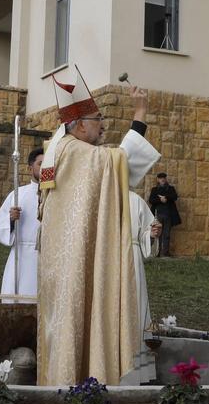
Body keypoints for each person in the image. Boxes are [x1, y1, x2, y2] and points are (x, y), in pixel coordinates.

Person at [36, 67, 160, 386]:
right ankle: (78, 381)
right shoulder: (75, 151)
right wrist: (140, 113)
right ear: (78, 127)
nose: (102, 127)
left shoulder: (56, 149)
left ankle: (63, 377)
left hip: (60, 263)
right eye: (97, 121)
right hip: (75, 260)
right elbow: (120, 162)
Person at [0, 147, 43, 300]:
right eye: (40, 164)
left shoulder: (58, 195)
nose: (45, 168)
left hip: (47, 257)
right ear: (30, 168)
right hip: (21, 257)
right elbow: (0, 226)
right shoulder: (18, 194)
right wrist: (11, 220)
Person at [128, 190, 161, 378]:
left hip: (132, 259)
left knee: (136, 306)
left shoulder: (136, 200)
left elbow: (145, 234)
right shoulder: (101, 197)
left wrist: (152, 234)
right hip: (105, 261)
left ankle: (137, 371)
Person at [147, 173, 181, 256]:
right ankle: (156, 253)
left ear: (165, 179)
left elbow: (175, 197)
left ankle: (165, 253)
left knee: (167, 234)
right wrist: (160, 200)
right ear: (158, 179)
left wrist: (165, 198)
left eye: (164, 178)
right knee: (157, 233)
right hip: (157, 215)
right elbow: (151, 200)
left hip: (168, 215)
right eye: (160, 178)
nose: (162, 179)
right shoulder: (154, 189)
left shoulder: (171, 188)